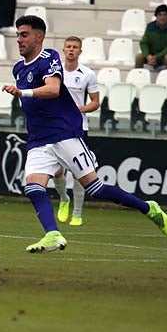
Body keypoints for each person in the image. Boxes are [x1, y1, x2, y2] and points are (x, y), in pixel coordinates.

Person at [1, 15, 167, 253]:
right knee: (33, 187)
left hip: (64, 134)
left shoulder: (48, 57)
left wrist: (23, 93)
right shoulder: (19, 68)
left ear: (39, 37)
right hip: (39, 140)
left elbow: (53, 89)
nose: (18, 39)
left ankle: (148, 208)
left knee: (95, 188)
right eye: (17, 34)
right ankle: (52, 234)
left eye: (24, 34)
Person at [49, 36, 101, 228]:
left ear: (80, 51)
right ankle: (64, 198)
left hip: (78, 127)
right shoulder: (55, 72)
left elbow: (95, 102)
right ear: (63, 50)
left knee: (81, 172)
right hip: (55, 126)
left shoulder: (87, 74)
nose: (71, 50)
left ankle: (78, 213)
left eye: (75, 47)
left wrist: (79, 109)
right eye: (68, 47)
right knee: (57, 170)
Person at [135, 4, 167, 69]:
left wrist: (156, 57)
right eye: (160, 15)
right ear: (156, 16)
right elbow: (144, 43)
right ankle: (137, 78)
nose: (162, 17)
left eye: (165, 14)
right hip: (152, 55)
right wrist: (148, 56)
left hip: (165, 55)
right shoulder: (150, 27)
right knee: (139, 57)